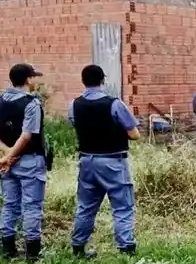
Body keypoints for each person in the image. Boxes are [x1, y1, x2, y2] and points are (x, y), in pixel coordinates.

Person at [68, 65, 140, 258]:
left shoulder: (74, 104)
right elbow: (134, 134)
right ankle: (126, 249)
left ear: (83, 81)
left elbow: (76, 124)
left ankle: (78, 246)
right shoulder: (114, 104)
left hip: (86, 161)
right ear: (103, 80)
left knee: (86, 206)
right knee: (122, 206)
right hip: (113, 161)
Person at [0, 64, 47, 261]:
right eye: (34, 77)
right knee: (32, 206)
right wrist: (11, 154)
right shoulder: (32, 103)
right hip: (29, 160)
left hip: (5, 164)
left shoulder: (0, 100)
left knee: (10, 204)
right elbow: (27, 136)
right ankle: (33, 252)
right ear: (28, 80)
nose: (36, 81)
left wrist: (5, 156)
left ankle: (8, 249)